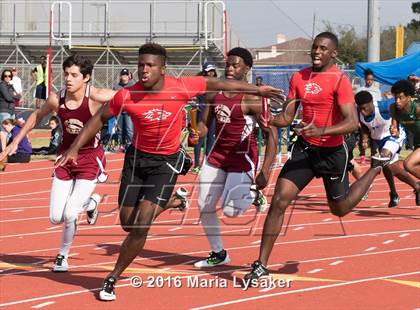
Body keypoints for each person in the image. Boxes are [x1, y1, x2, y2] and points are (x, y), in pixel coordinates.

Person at [55, 43, 283, 301]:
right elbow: (99, 119)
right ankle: (175, 200)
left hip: (166, 163)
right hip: (137, 160)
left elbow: (223, 85)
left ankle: (111, 278)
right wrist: (74, 147)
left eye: (150, 65)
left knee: (141, 226)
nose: (144, 70)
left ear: (162, 69)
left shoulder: (182, 86)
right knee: (128, 223)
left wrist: (258, 89)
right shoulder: (127, 95)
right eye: (141, 65)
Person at [244, 32, 391, 281]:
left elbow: (352, 123)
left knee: (340, 209)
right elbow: (287, 118)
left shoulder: (339, 80)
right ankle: (261, 264)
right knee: (279, 200)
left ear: (333, 53)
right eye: (314, 47)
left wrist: (321, 130)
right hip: (305, 149)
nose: (316, 52)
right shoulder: (299, 77)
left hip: (333, 153)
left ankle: (376, 168)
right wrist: (266, 120)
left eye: (323, 48)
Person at [0, 53, 116, 273]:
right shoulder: (57, 98)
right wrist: (15, 140)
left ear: (87, 78)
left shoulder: (97, 95)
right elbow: (36, 115)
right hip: (64, 157)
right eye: (66, 74)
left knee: (71, 213)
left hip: (90, 158)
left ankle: (62, 255)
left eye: (74, 75)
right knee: (55, 217)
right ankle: (91, 204)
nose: (69, 79)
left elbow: (127, 96)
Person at [193, 47, 278, 268]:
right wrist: (196, 134)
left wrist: (265, 171)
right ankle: (218, 252)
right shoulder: (214, 93)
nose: (230, 68)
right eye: (228, 64)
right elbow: (204, 124)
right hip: (217, 156)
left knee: (231, 212)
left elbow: (272, 136)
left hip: (242, 159)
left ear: (247, 68)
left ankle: (253, 195)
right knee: (204, 205)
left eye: (235, 65)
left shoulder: (253, 98)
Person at [356, 90, 419, 207]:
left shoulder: (384, 106)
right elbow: (364, 127)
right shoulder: (358, 112)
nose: (363, 112)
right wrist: (365, 138)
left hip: (394, 136)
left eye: (365, 108)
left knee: (383, 159)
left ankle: (366, 186)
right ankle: (412, 187)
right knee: (392, 169)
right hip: (379, 141)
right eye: (360, 109)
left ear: (371, 103)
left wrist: (409, 90)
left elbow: (400, 99)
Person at [390, 80, 420, 182]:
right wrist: (394, 130)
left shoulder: (417, 109)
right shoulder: (393, 108)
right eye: (395, 98)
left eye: (400, 98)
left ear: (408, 97)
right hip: (417, 143)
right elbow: (395, 128)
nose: (397, 101)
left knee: (408, 164)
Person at [191, 63, 217, 174]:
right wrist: (195, 103)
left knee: (211, 139)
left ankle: (207, 164)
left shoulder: (217, 83)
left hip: (213, 115)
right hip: (201, 114)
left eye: (213, 71)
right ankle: (196, 165)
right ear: (204, 71)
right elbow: (193, 95)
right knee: (199, 139)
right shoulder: (200, 82)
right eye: (209, 71)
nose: (211, 73)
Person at [113, 68, 135, 151]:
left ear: (129, 76)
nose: (124, 77)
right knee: (120, 130)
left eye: (126, 75)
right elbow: (113, 98)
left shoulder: (132, 85)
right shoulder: (116, 86)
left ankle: (129, 145)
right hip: (119, 111)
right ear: (120, 76)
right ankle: (121, 145)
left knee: (129, 129)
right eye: (123, 75)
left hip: (128, 112)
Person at [0, 69, 21, 151]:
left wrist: (14, 96)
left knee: (10, 132)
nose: (7, 77)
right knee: (4, 131)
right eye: (5, 76)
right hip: (4, 110)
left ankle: (5, 150)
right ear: (3, 77)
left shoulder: (10, 86)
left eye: (9, 76)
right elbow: (8, 98)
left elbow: (19, 96)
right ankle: (4, 151)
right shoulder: (2, 85)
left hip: (12, 110)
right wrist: (14, 96)